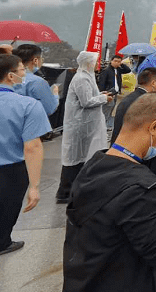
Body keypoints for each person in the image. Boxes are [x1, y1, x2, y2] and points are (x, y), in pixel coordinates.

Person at [62, 93, 156, 292]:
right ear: (154, 127)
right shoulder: (140, 186)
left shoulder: (95, 164)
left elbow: (115, 212)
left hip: (86, 279)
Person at [0, 54, 51, 292]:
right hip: (6, 180)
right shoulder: (27, 105)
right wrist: (34, 186)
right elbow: (32, 146)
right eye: (22, 70)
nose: (25, 74)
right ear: (10, 76)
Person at [57, 52, 112, 203]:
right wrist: (104, 98)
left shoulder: (87, 76)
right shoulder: (81, 78)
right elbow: (86, 101)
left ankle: (75, 190)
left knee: (81, 157)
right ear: (88, 63)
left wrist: (100, 94)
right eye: (94, 62)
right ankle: (65, 193)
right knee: (73, 158)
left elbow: (89, 95)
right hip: (79, 124)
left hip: (85, 124)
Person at [110, 68, 156, 178]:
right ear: (153, 83)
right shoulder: (146, 102)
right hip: (134, 155)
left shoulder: (130, 98)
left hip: (119, 151)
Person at [11, 44, 59, 120]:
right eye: (41, 59)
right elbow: (49, 109)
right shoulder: (37, 82)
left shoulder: (7, 78)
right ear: (35, 60)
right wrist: (55, 95)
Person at [97, 54, 130, 129]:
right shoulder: (106, 70)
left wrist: (122, 64)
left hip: (115, 93)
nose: (117, 63)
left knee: (110, 111)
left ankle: (104, 127)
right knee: (105, 112)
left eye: (119, 61)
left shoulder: (118, 70)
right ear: (111, 61)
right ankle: (101, 128)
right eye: (115, 61)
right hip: (108, 93)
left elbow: (128, 70)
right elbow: (102, 83)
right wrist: (103, 93)